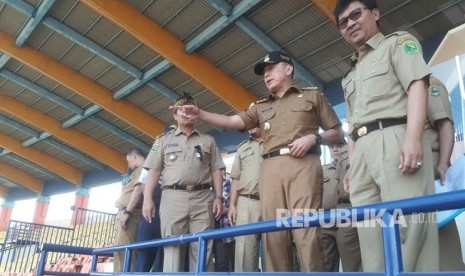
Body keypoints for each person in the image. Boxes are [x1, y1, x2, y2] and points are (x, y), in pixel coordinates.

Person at [170, 51, 343, 272]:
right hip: (270, 169)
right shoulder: (260, 106)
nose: (266, 75)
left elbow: (337, 133)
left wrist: (315, 138)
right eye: (264, 72)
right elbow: (232, 121)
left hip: (304, 165)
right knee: (274, 236)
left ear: (288, 69)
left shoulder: (312, 96)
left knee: (306, 231)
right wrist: (200, 114)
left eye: (271, 69)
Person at [333, 0, 438, 271]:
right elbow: (354, 124)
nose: (350, 24)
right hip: (362, 152)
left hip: (395, 138)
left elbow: (417, 85)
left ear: (375, 14)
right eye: (343, 23)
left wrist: (413, 138)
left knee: (412, 230)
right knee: (370, 236)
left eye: (356, 15)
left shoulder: (397, 43)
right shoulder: (350, 74)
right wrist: (352, 165)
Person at [142, 92, 225, 272]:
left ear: (196, 113)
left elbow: (216, 169)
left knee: (204, 248)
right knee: (172, 249)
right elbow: (154, 170)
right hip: (173, 198)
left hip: (202, 198)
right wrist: (147, 199)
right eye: (182, 111)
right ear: (174, 115)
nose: (186, 114)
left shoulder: (208, 141)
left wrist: (218, 197)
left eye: (190, 110)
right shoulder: (163, 141)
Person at [425, 76, 464, 271]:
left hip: (429, 172)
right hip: (406, 176)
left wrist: (442, 163)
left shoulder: (429, 83)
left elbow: (445, 125)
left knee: (443, 241)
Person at [228, 126, 263, 272]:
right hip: (246, 202)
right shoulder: (242, 148)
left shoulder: (276, 141)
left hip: (274, 201)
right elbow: (235, 178)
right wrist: (232, 205)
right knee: (244, 254)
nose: (250, 124)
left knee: (276, 253)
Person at [113, 148, 146, 272]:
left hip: (130, 214)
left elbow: (138, 191)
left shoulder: (144, 167)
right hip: (126, 212)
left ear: (134, 156)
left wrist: (127, 212)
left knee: (126, 252)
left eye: (128, 161)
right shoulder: (137, 171)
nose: (128, 164)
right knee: (120, 252)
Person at [213, 169, 235, 272]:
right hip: (214, 229)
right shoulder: (207, 186)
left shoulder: (230, 186)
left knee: (233, 263)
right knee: (220, 264)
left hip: (229, 229)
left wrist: (224, 210)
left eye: (221, 170)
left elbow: (237, 207)